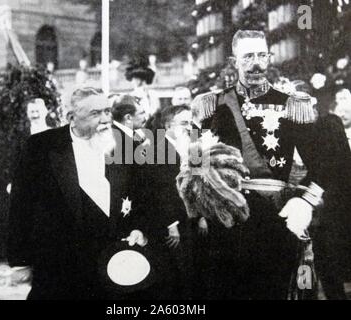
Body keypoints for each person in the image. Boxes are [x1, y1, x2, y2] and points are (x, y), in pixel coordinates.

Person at [194, 29, 346, 299]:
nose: (256, 63)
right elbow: (195, 164)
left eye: (262, 55)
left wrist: (304, 202)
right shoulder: (211, 105)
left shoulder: (292, 105)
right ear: (233, 61)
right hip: (227, 219)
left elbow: (323, 166)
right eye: (248, 56)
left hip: (276, 217)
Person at [7, 86, 148, 300]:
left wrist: (139, 227)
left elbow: (141, 193)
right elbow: (21, 205)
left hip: (112, 263)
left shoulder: (127, 145)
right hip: (58, 264)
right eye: (95, 113)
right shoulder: (41, 146)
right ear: (71, 117)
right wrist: (20, 261)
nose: (105, 119)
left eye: (107, 111)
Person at [141, 104, 194, 299]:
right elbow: (160, 190)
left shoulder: (182, 145)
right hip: (170, 222)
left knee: (183, 272)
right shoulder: (159, 148)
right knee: (173, 274)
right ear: (167, 125)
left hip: (184, 217)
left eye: (190, 122)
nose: (188, 127)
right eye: (183, 123)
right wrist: (172, 225)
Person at [312, 87, 351, 299]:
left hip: (326, 209)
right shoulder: (330, 127)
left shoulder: (326, 128)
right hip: (327, 209)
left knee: (325, 264)